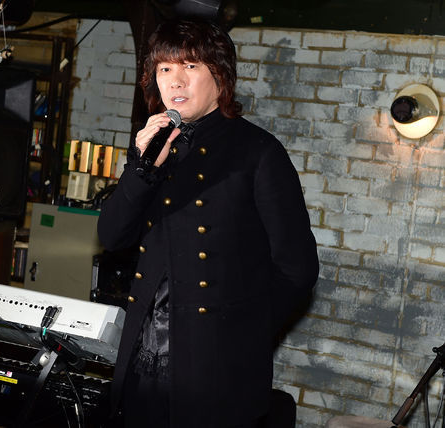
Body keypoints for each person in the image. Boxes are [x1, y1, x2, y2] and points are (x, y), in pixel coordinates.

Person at [97, 18, 319, 428]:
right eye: (165, 68)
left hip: (215, 372)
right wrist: (141, 170)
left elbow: (297, 268)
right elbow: (111, 237)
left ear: (220, 76)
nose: (175, 81)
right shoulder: (153, 146)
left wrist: (242, 335)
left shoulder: (258, 152)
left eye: (190, 66)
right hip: (144, 359)